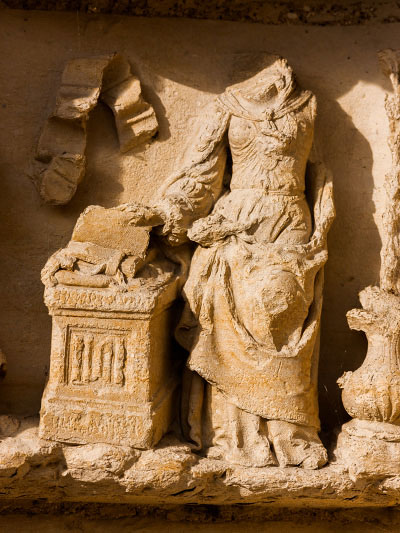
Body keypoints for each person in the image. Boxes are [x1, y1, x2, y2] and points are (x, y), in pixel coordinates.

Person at [125, 56, 335, 468]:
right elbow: (202, 174)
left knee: (277, 308)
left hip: (289, 220)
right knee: (226, 317)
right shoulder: (227, 106)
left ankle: (287, 430)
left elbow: (319, 171)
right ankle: (235, 432)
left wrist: (321, 227)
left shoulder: (307, 103)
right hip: (236, 219)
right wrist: (167, 214)